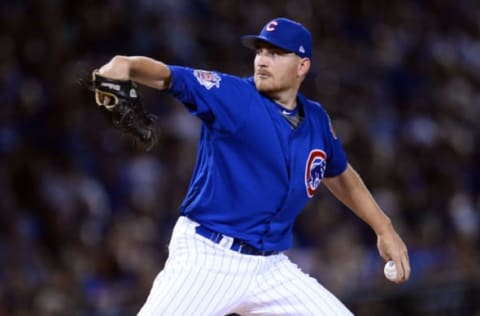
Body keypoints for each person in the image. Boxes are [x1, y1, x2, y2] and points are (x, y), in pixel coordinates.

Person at [96, 17, 410, 316]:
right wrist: (126, 64)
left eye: (275, 53)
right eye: (260, 51)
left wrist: (384, 228)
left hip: (269, 267)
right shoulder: (233, 95)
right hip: (209, 256)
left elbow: (341, 175)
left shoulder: (316, 119)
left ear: (303, 66)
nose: (262, 60)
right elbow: (169, 76)